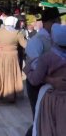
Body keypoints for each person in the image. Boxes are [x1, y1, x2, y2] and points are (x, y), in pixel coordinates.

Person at [24, 7, 64, 136]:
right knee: (39, 119)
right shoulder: (37, 41)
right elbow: (35, 69)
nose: (58, 23)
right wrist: (52, 80)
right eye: (56, 20)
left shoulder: (58, 39)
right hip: (39, 86)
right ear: (48, 22)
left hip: (56, 89)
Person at [0, 16, 27, 102]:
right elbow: (25, 45)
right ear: (14, 23)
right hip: (11, 56)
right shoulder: (17, 33)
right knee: (9, 75)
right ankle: (9, 95)